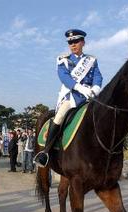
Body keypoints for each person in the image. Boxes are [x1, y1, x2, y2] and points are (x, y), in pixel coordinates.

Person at [34, 29, 103, 167]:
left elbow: (97, 76)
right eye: (70, 42)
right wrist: (80, 88)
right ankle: (45, 152)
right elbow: (64, 77)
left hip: (90, 97)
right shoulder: (63, 60)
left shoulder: (91, 60)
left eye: (76, 41)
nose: (73, 44)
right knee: (59, 117)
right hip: (72, 97)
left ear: (82, 42)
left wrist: (95, 88)